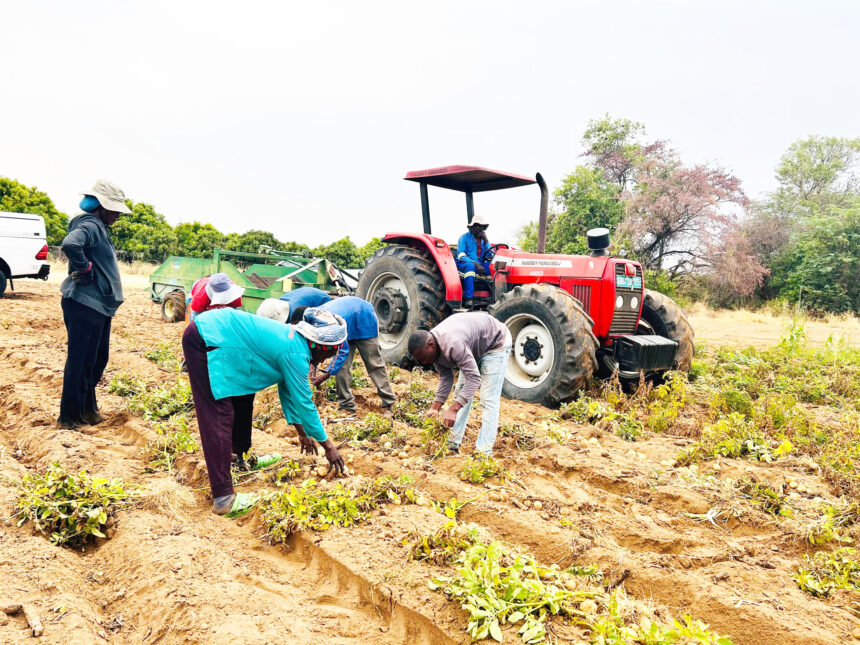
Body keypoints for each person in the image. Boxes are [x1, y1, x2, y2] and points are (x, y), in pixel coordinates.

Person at [183, 306, 347, 517]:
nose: (328, 358)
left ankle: (240, 458)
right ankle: (223, 498)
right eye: (333, 350)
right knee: (219, 413)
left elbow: (288, 390)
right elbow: (305, 403)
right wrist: (328, 447)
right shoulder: (295, 351)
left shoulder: (297, 344)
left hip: (225, 337)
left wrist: (303, 433)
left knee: (243, 398)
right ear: (321, 346)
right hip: (207, 338)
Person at [58, 180, 131, 429]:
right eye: (114, 209)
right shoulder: (91, 224)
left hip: (97, 306)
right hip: (84, 304)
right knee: (80, 361)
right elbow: (70, 244)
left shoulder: (99, 226)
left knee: (96, 359)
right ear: (100, 206)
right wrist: (84, 267)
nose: (117, 215)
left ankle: (88, 410)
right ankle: (69, 417)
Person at [407, 312, 511, 456]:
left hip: (495, 343)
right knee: (461, 392)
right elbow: (446, 376)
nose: (423, 362)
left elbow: (474, 379)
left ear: (431, 344)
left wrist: (453, 409)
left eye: (423, 358)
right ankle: (452, 444)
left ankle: (483, 452)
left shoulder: (452, 344)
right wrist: (435, 407)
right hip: (473, 346)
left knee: (488, 400)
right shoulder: (434, 348)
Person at [291, 297, 396, 415]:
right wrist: (313, 366)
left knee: (373, 363)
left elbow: (342, 350)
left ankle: (389, 403)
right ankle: (347, 405)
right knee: (341, 368)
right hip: (346, 323)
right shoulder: (312, 320)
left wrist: (325, 375)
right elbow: (314, 348)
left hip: (362, 316)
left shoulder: (325, 324)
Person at [456, 214, 491, 309]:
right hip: (464, 264)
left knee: (493, 266)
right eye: (476, 226)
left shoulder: (484, 241)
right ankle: (468, 298)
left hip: (480, 265)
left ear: (483, 228)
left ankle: (494, 296)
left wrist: (486, 241)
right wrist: (475, 264)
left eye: (481, 226)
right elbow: (461, 255)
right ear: (472, 227)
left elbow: (490, 256)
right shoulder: (464, 238)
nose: (478, 228)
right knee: (470, 267)